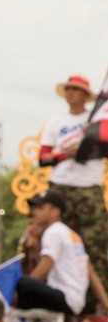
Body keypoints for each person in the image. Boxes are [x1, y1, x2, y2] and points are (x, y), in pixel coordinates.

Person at [38, 74, 108, 287]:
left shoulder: (98, 120)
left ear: (85, 95)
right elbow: (43, 158)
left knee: (95, 246)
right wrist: (63, 155)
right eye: (68, 89)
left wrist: (86, 147)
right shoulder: (55, 122)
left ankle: (96, 300)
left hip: (89, 188)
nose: (70, 93)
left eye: (75, 89)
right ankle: (55, 292)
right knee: (54, 241)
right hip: (60, 187)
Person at [16, 191, 108, 315]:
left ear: (55, 211)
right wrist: (106, 304)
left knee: (22, 283)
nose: (35, 212)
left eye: (40, 208)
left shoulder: (53, 231)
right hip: (77, 301)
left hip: (64, 296)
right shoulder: (72, 235)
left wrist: (20, 288)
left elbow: (46, 267)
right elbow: (91, 273)